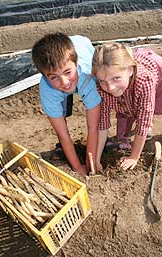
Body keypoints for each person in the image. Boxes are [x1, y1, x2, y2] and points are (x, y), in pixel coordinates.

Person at [32, 32, 101, 176]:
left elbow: (93, 127)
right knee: (62, 109)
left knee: (98, 103)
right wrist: (77, 167)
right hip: (57, 91)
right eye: (54, 77)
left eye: (67, 72)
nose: (64, 81)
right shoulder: (47, 90)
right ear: (44, 76)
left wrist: (91, 163)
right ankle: (66, 152)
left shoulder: (88, 77)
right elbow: (63, 134)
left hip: (83, 47)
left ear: (76, 64)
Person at [92, 42, 162, 171]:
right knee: (125, 109)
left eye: (116, 78)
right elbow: (103, 123)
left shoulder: (145, 81)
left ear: (130, 70)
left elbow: (143, 124)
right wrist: (96, 159)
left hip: (158, 69)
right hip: (129, 84)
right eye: (102, 81)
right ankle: (126, 131)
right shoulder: (102, 88)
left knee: (144, 113)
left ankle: (144, 129)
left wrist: (134, 157)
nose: (110, 87)